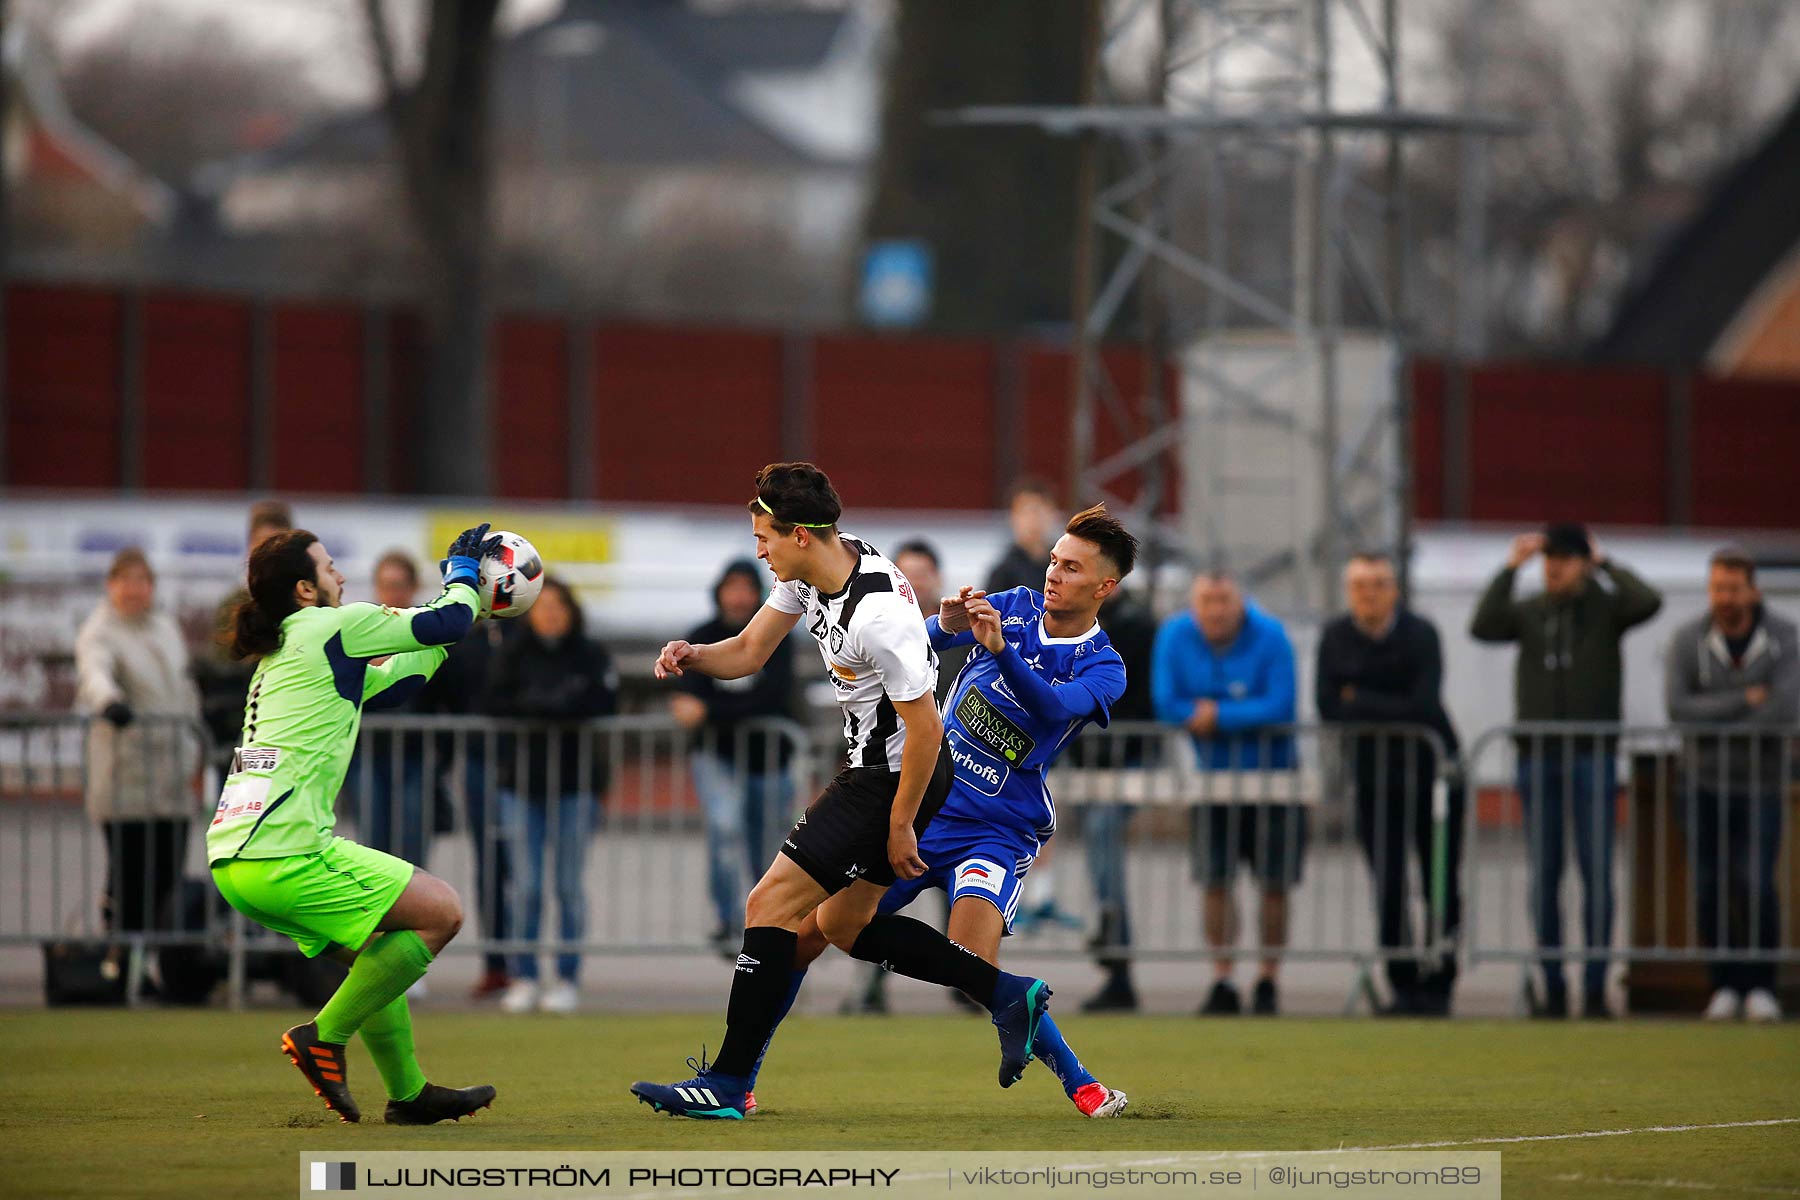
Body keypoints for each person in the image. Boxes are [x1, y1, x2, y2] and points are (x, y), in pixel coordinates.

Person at [631, 462, 1054, 1121]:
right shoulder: (815, 569)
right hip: (880, 773)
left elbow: (926, 730)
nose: (759, 550)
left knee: (768, 900)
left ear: (801, 534)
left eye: (765, 537)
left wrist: (899, 822)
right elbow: (746, 652)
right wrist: (694, 655)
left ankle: (727, 1082)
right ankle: (1004, 992)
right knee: (847, 926)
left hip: (889, 779)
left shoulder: (878, 612)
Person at [753, 503, 1139, 1118]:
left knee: (972, 967)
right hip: (927, 807)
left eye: (1071, 568)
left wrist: (1001, 651)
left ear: (1104, 586)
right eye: (1054, 561)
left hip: (997, 829)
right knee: (808, 931)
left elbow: (1048, 711)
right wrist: (942, 623)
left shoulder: (1104, 666)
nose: (1054, 574)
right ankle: (739, 1079)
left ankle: (1082, 1084)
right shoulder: (1013, 605)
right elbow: (918, 650)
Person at [206, 525, 499, 1124]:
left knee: (381, 950)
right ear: (306, 589)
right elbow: (440, 621)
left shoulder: (291, 644)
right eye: (331, 566)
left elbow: (393, 686)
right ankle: (323, 1038)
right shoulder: (326, 626)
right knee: (442, 912)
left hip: (239, 862)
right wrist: (464, 576)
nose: (343, 576)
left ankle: (409, 1094)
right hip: (285, 853)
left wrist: (456, 629)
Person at [1471, 522, 1662, 1019]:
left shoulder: (1605, 608)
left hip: (1591, 756)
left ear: (1581, 561)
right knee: (1544, 874)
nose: (1552, 567)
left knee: (1597, 873)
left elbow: (1649, 600)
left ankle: (1596, 984)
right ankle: (1552, 982)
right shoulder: (1531, 611)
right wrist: (1511, 567)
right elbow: (1483, 624)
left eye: (1563, 558)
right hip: (1538, 757)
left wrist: (1604, 563)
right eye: (1547, 558)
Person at [1316, 552, 1464, 1016]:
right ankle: (1402, 983)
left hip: (1434, 774)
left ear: (1394, 589)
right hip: (1374, 779)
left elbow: (1423, 704)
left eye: (1378, 583)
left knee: (1439, 882)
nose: (1369, 593)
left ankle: (1440, 980)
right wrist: (1376, 703)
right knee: (1388, 883)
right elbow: (1328, 707)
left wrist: (1358, 697)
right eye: (1360, 584)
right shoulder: (1336, 636)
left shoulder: (1421, 634)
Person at [1153, 572, 1299, 1016]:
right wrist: (1234, 712)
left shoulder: (1271, 634)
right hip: (1209, 780)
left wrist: (1217, 715)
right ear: (1194, 603)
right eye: (1206, 601)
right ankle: (1223, 976)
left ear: (1241, 600)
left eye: (1224, 600)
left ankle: (1269, 977)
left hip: (1275, 779)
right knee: (1214, 880)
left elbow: (1281, 703)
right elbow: (1166, 701)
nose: (1215, 610)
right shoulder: (1175, 634)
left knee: (1274, 882)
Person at [1665, 547, 1797, 1024]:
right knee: (1710, 886)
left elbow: (1784, 709)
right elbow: (1679, 709)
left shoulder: (1784, 638)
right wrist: (1744, 698)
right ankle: (1723, 984)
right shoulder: (1688, 639)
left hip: (1761, 783)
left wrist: (1717, 716)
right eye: (1717, 587)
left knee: (1757, 883)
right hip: (1701, 784)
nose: (1724, 597)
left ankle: (1761, 985)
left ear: (1753, 589)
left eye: (1733, 588)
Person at [485, 577, 618, 1014]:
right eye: (544, 605)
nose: (552, 612)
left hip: (576, 787)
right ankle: (523, 975)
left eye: (560, 604)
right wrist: (548, 703)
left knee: (567, 886)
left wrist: (555, 703)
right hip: (521, 786)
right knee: (525, 886)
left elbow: (603, 701)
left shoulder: (590, 653)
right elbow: (497, 701)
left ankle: (566, 977)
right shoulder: (514, 651)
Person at [76, 548, 205, 990]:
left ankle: (149, 963)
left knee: (167, 876)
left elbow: (184, 687)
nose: (133, 590)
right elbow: (95, 672)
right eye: (125, 580)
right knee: (128, 875)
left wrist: (194, 747)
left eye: (141, 580)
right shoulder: (100, 631)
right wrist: (108, 702)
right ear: (110, 585)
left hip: (171, 773)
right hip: (125, 775)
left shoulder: (165, 625)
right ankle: (119, 963)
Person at [849, 537, 965, 1013]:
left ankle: (969, 979)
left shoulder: (956, 639)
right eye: (908, 572)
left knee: (956, 892)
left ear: (937, 579)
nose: (915, 580)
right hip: (896, 785)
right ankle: (874, 986)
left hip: (953, 786)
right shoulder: (879, 629)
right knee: (874, 891)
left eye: (924, 573)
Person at [675, 559, 797, 959]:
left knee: (771, 852)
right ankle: (729, 921)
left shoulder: (777, 634)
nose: (739, 596)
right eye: (732, 587)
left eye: (747, 588)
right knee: (724, 830)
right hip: (717, 756)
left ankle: (767, 925)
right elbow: (686, 699)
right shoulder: (701, 637)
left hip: (771, 760)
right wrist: (720, 709)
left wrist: (711, 712)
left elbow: (772, 697)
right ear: (719, 592)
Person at [1072, 582, 1161, 1012]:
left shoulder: (1139, 627)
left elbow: (1144, 700)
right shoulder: (1065, 621)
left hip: (1129, 758)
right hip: (1082, 761)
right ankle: (1111, 934)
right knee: (1095, 841)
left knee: (1102, 831)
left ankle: (1115, 939)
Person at [196, 500, 293, 764]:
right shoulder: (232, 605)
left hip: (292, 725)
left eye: (278, 542)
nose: (268, 551)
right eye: (262, 541)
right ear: (250, 545)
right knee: (242, 799)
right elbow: (222, 661)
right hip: (242, 727)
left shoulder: (306, 602)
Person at [355, 551, 434, 867]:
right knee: (372, 853)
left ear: (414, 587)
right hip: (368, 755)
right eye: (386, 585)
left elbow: (446, 692)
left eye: (400, 584)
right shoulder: (360, 631)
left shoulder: (431, 630)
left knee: (413, 854)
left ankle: (416, 916)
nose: (393, 593)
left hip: (417, 757)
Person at [985, 478, 1061, 594]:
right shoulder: (1004, 571)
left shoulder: (1062, 564)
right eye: (1026, 511)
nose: (1034, 519)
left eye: (1039, 511)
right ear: (1013, 517)